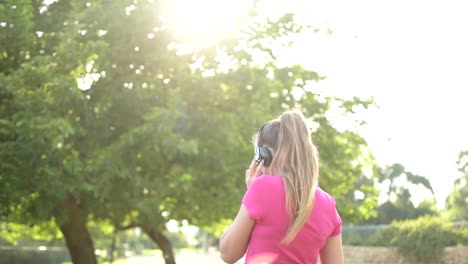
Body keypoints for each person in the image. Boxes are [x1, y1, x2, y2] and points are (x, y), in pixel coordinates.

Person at [219, 109, 344, 264]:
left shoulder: (261, 188)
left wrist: (250, 192)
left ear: (264, 156)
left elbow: (228, 253)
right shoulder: (328, 204)